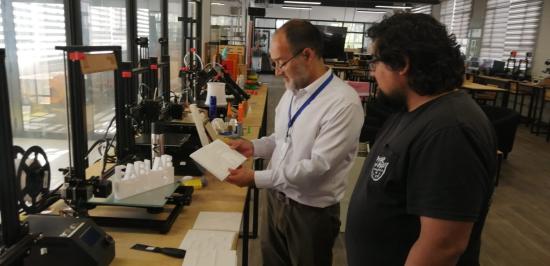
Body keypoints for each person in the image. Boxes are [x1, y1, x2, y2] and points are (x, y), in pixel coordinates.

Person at [345, 13, 497, 266]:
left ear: (402, 63)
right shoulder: (410, 110)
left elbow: (443, 245)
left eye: (375, 62)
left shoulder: (449, 131)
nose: (372, 72)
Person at [225, 19, 364, 266]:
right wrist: (254, 147)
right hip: (275, 201)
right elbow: (283, 139)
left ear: (307, 55)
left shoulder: (343, 103)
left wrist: (255, 179)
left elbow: (317, 167)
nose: (277, 71)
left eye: (281, 63)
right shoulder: (292, 91)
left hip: (309, 214)